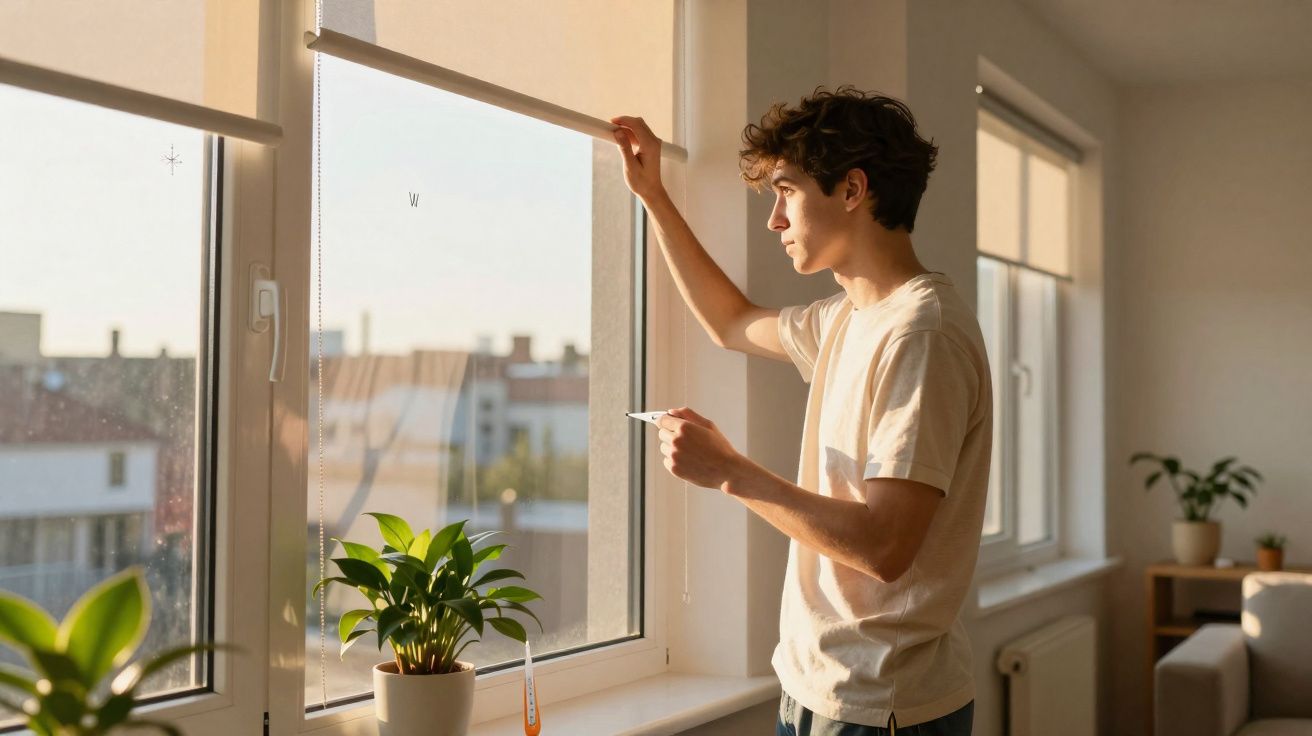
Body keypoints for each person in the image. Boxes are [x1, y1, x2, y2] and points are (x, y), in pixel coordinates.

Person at [610, 86, 991, 736]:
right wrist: (654, 197)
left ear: (851, 190)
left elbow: (885, 545)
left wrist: (729, 472)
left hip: (880, 707)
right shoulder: (848, 320)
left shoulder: (920, 333)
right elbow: (730, 323)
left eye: (785, 192)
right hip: (819, 689)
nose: (775, 221)